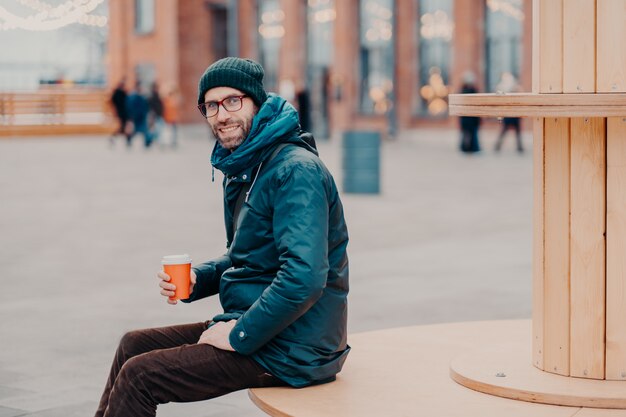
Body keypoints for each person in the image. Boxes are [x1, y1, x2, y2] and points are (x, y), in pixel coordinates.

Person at [95, 57, 350, 417]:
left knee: (141, 376)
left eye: (233, 101)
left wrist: (237, 335)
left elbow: (304, 278)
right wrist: (198, 279)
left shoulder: (294, 171)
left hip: (297, 347)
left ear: (257, 103)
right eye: (211, 105)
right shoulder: (247, 164)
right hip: (264, 325)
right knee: (132, 345)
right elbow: (247, 254)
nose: (221, 114)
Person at [494, 72, 524, 153]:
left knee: (509, 131)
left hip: (509, 114)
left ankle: (498, 146)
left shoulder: (503, 87)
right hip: (511, 114)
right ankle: (519, 148)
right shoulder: (513, 87)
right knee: (511, 132)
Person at [458, 71, 481, 154]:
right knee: (473, 133)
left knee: (465, 133)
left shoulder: (461, 91)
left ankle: (464, 148)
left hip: (465, 118)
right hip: (472, 118)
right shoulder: (473, 91)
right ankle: (474, 148)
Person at [126, 81, 152, 148]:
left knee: (143, 130)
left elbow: (145, 106)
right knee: (138, 130)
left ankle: (147, 142)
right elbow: (130, 107)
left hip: (141, 116)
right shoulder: (133, 97)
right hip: (136, 117)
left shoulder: (141, 96)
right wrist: (131, 116)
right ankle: (130, 139)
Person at [109, 80, 130, 146]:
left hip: (121, 112)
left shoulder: (116, 93)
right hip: (123, 112)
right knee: (123, 127)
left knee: (124, 127)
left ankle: (127, 140)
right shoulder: (121, 93)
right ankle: (126, 140)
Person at [147, 82, 165, 146]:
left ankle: (153, 141)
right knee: (155, 130)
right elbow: (151, 107)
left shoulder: (157, 96)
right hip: (155, 116)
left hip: (158, 115)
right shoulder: (152, 97)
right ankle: (150, 141)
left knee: (157, 130)